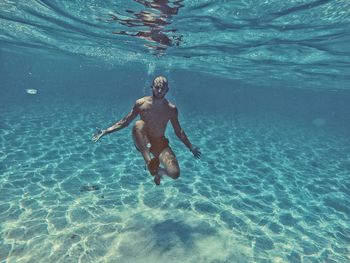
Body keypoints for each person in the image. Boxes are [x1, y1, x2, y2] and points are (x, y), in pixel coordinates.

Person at [92, 76, 201, 185]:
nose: (159, 91)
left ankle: (158, 172)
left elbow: (179, 131)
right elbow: (125, 121)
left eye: (162, 88)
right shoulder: (141, 103)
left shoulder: (171, 109)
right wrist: (106, 131)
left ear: (167, 90)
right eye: (157, 87)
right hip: (143, 139)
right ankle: (149, 162)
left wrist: (191, 147)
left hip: (160, 142)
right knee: (138, 124)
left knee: (174, 173)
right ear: (152, 87)